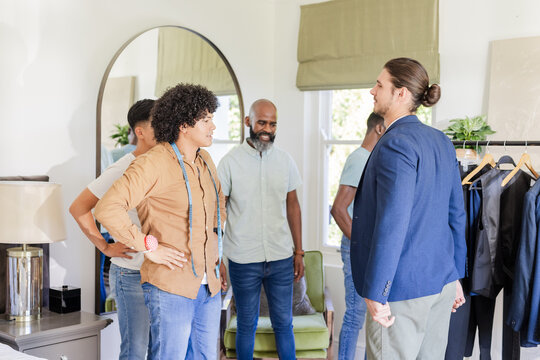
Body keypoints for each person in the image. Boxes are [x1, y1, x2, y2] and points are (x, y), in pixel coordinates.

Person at [94, 83, 227, 359]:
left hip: (209, 286)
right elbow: (108, 208)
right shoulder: (152, 163)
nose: (213, 126)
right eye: (206, 120)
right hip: (170, 287)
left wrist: (217, 258)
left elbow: (217, 211)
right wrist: (148, 246)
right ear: (184, 125)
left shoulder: (206, 161)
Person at [349, 58, 467, 359]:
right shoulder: (441, 140)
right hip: (440, 283)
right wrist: (454, 275)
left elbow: (393, 222)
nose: (372, 91)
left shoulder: (394, 143)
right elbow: (456, 214)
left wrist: (376, 290)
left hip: (401, 291)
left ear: (400, 93)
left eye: (379, 84)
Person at [70, 99, 157, 360]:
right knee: (135, 349)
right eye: (158, 123)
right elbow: (79, 208)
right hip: (131, 274)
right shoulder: (122, 168)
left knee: (160, 349)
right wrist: (105, 247)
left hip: (159, 272)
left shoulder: (163, 165)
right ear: (139, 131)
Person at [218, 99, 304, 360]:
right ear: (248, 122)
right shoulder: (229, 162)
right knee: (246, 324)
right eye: (262, 122)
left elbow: (293, 206)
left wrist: (299, 251)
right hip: (243, 259)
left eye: (273, 123)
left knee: (283, 324)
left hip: (280, 257)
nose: (267, 128)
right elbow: (217, 214)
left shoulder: (285, 160)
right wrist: (218, 258)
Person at [330, 112, 385, 360]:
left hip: (368, 248)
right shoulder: (359, 159)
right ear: (380, 129)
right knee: (354, 314)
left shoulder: (372, 160)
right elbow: (338, 209)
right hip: (356, 247)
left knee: (373, 316)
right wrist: (362, 246)